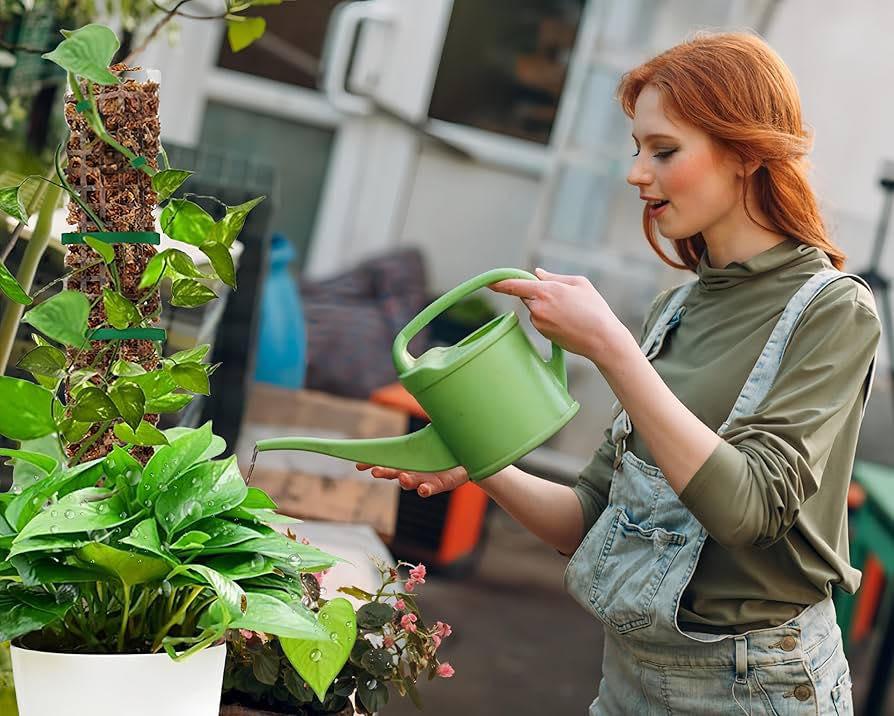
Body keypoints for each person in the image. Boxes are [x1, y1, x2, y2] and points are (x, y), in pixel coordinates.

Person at [357, 31, 879, 714]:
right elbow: (592, 519)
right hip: (629, 679)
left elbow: (749, 510)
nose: (636, 174)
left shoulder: (834, 311)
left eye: (664, 151)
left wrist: (611, 347)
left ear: (747, 152)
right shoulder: (676, 310)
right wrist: (481, 463)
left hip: (758, 687)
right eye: (637, 150)